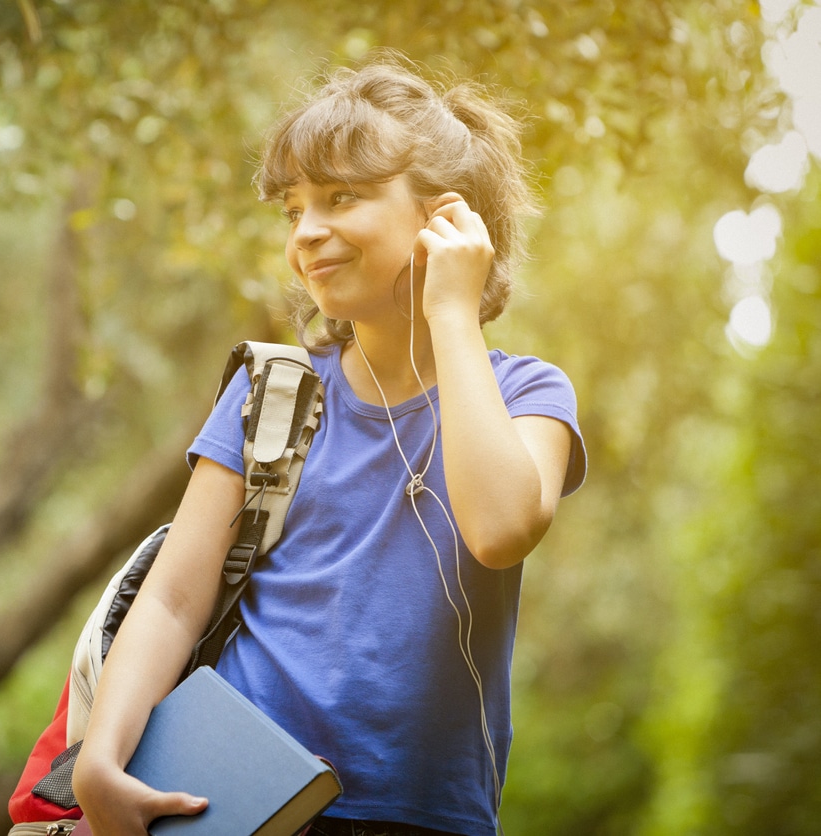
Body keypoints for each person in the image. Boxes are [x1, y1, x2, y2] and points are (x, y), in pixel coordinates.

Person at [71, 53, 587, 836]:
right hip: (232, 803)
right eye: (292, 208)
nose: (307, 233)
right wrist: (99, 762)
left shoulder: (529, 395)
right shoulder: (269, 392)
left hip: (424, 819)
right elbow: (175, 597)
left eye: (342, 197)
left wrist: (453, 312)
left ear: (446, 219)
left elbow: (500, 528)